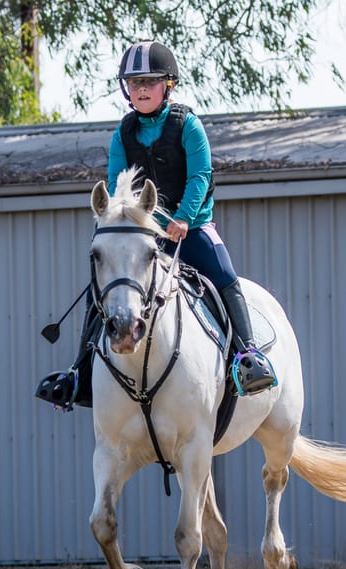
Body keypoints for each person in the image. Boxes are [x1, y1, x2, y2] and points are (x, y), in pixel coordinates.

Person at [35, 40, 277, 410]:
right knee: (98, 291)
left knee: (224, 274)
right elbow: (118, 185)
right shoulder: (123, 133)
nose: (141, 89)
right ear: (126, 90)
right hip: (144, 234)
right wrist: (122, 220)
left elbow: (201, 177)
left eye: (150, 81)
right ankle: (80, 375)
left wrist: (182, 217)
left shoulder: (188, 126)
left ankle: (248, 357)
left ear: (169, 85)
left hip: (191, 228)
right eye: (134, 84)